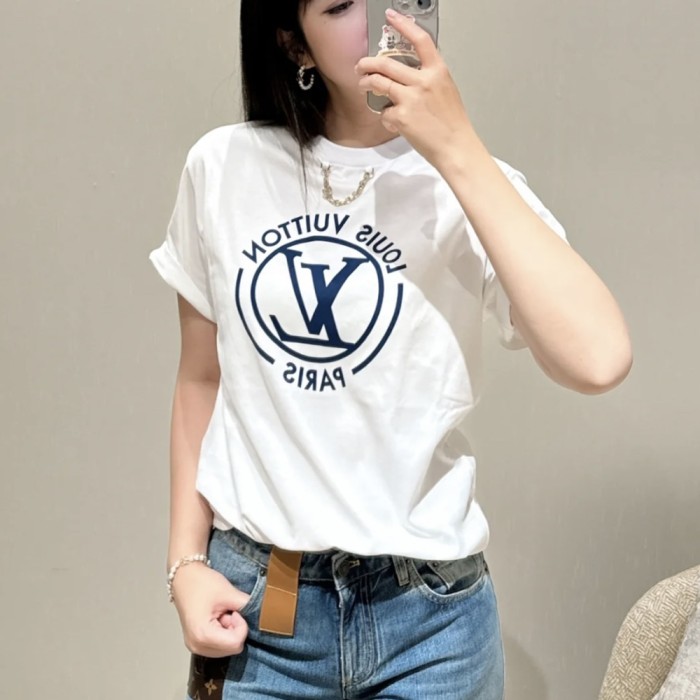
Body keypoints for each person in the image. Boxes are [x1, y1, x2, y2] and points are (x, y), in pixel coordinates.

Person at [148, 1, 633, 698]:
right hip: (262, 609)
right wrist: (185, 563)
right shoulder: (223, 167)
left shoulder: (470, 182)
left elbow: (598, 358)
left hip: (432, 624)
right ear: (294, 44)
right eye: (341, 5)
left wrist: (456, 146)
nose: (380, 17)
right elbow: (201, 380)